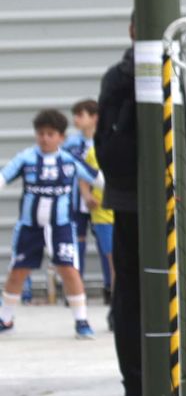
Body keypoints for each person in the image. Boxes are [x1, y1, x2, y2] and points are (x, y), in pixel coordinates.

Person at [96, 14, 186, 396]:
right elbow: (107, 148)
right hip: (135, 205)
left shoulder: (182, 70)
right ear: (133, 30)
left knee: (184, 296)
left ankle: (185, 385)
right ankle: (138, 386)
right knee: (132, 296)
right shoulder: (117, 78)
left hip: (181, 202)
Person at [0, 109, 102, 338]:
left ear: (61, 137)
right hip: (30, 227)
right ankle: (5, 319)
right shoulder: (26, 158)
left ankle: (81, 321)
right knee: (18, 272)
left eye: (50, 134)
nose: (45, 138)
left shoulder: (69, 160)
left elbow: (99, 180)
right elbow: (3, 178)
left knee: (69, 270)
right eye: (41, 133)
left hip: (61, 227)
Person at [65, 99, 114, 305]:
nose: (76, 119)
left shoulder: (104, 140)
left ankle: (109, 288)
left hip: (102, 203)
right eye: (74, 115)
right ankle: (75, 290)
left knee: (107, 248)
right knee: (77, 244)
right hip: (77, 202)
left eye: (80, 115)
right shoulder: (71, 145)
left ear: (94, 118)